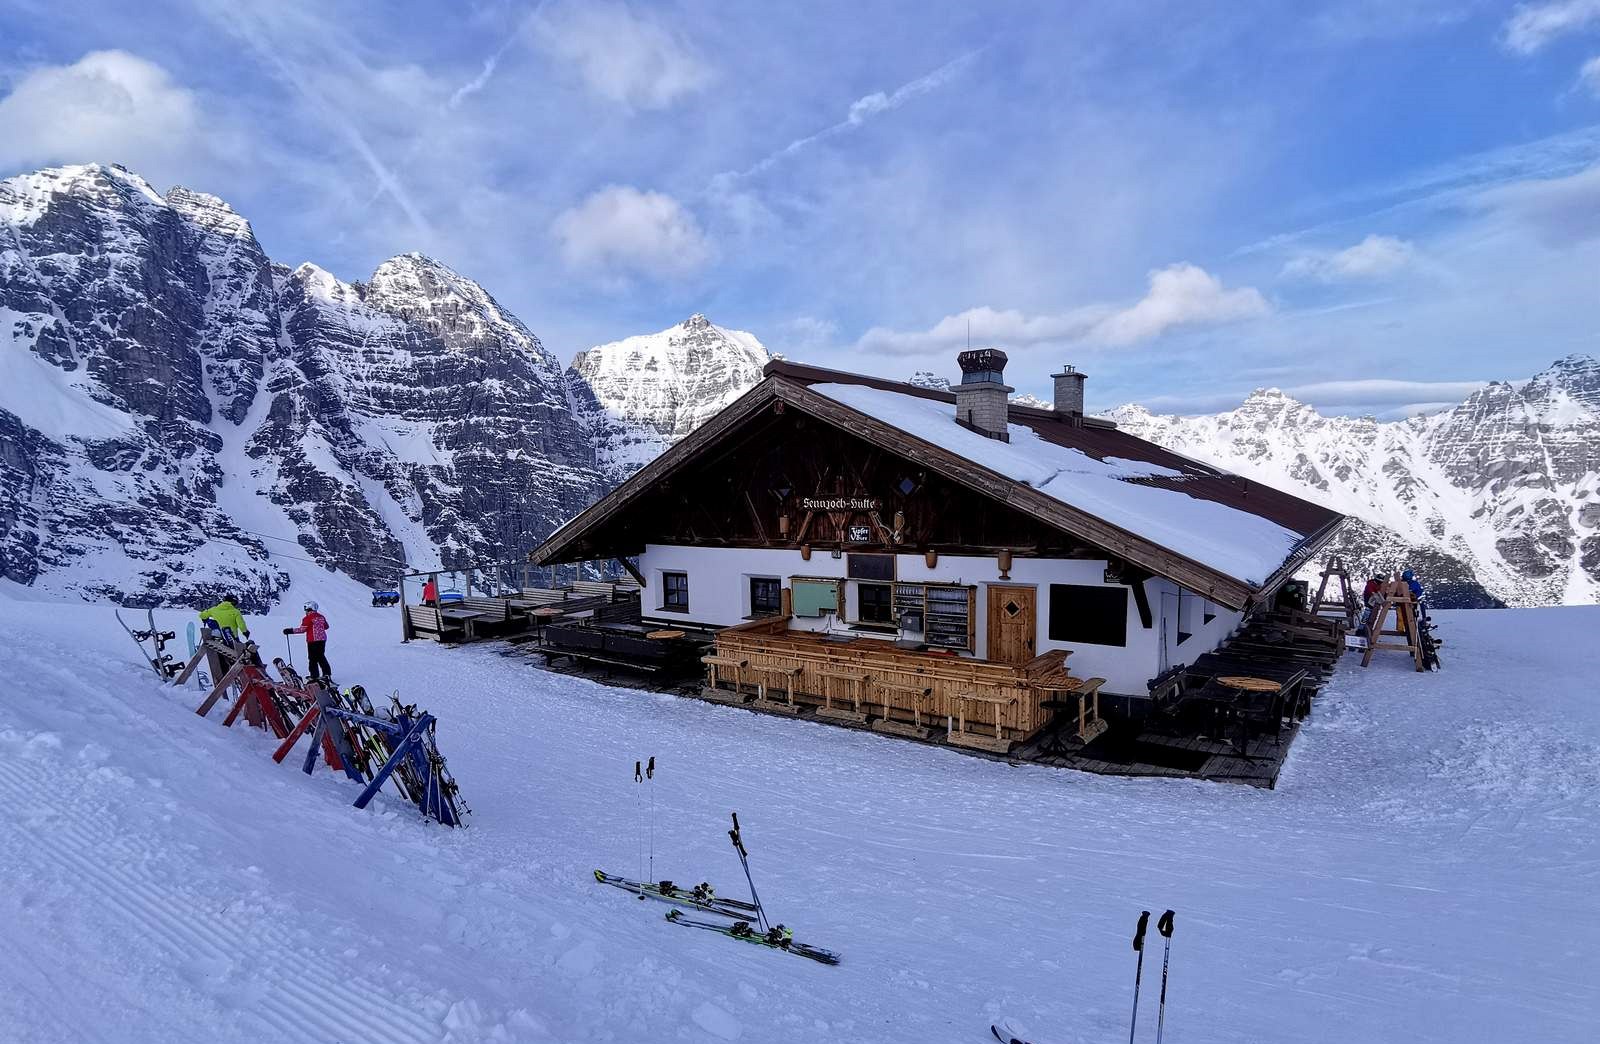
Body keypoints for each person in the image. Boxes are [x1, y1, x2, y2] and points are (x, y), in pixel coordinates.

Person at [284, 600, 332, 682]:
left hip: (312, 640)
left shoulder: (307, 618)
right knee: (321, 657)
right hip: (322, 640)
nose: (305, 611)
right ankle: (327, 674)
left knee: (312, 658)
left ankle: (314, 676)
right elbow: (326, 626)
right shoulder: (321, 617)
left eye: (305, 609)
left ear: (309, 608)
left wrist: (290, 631)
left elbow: (302, 630)